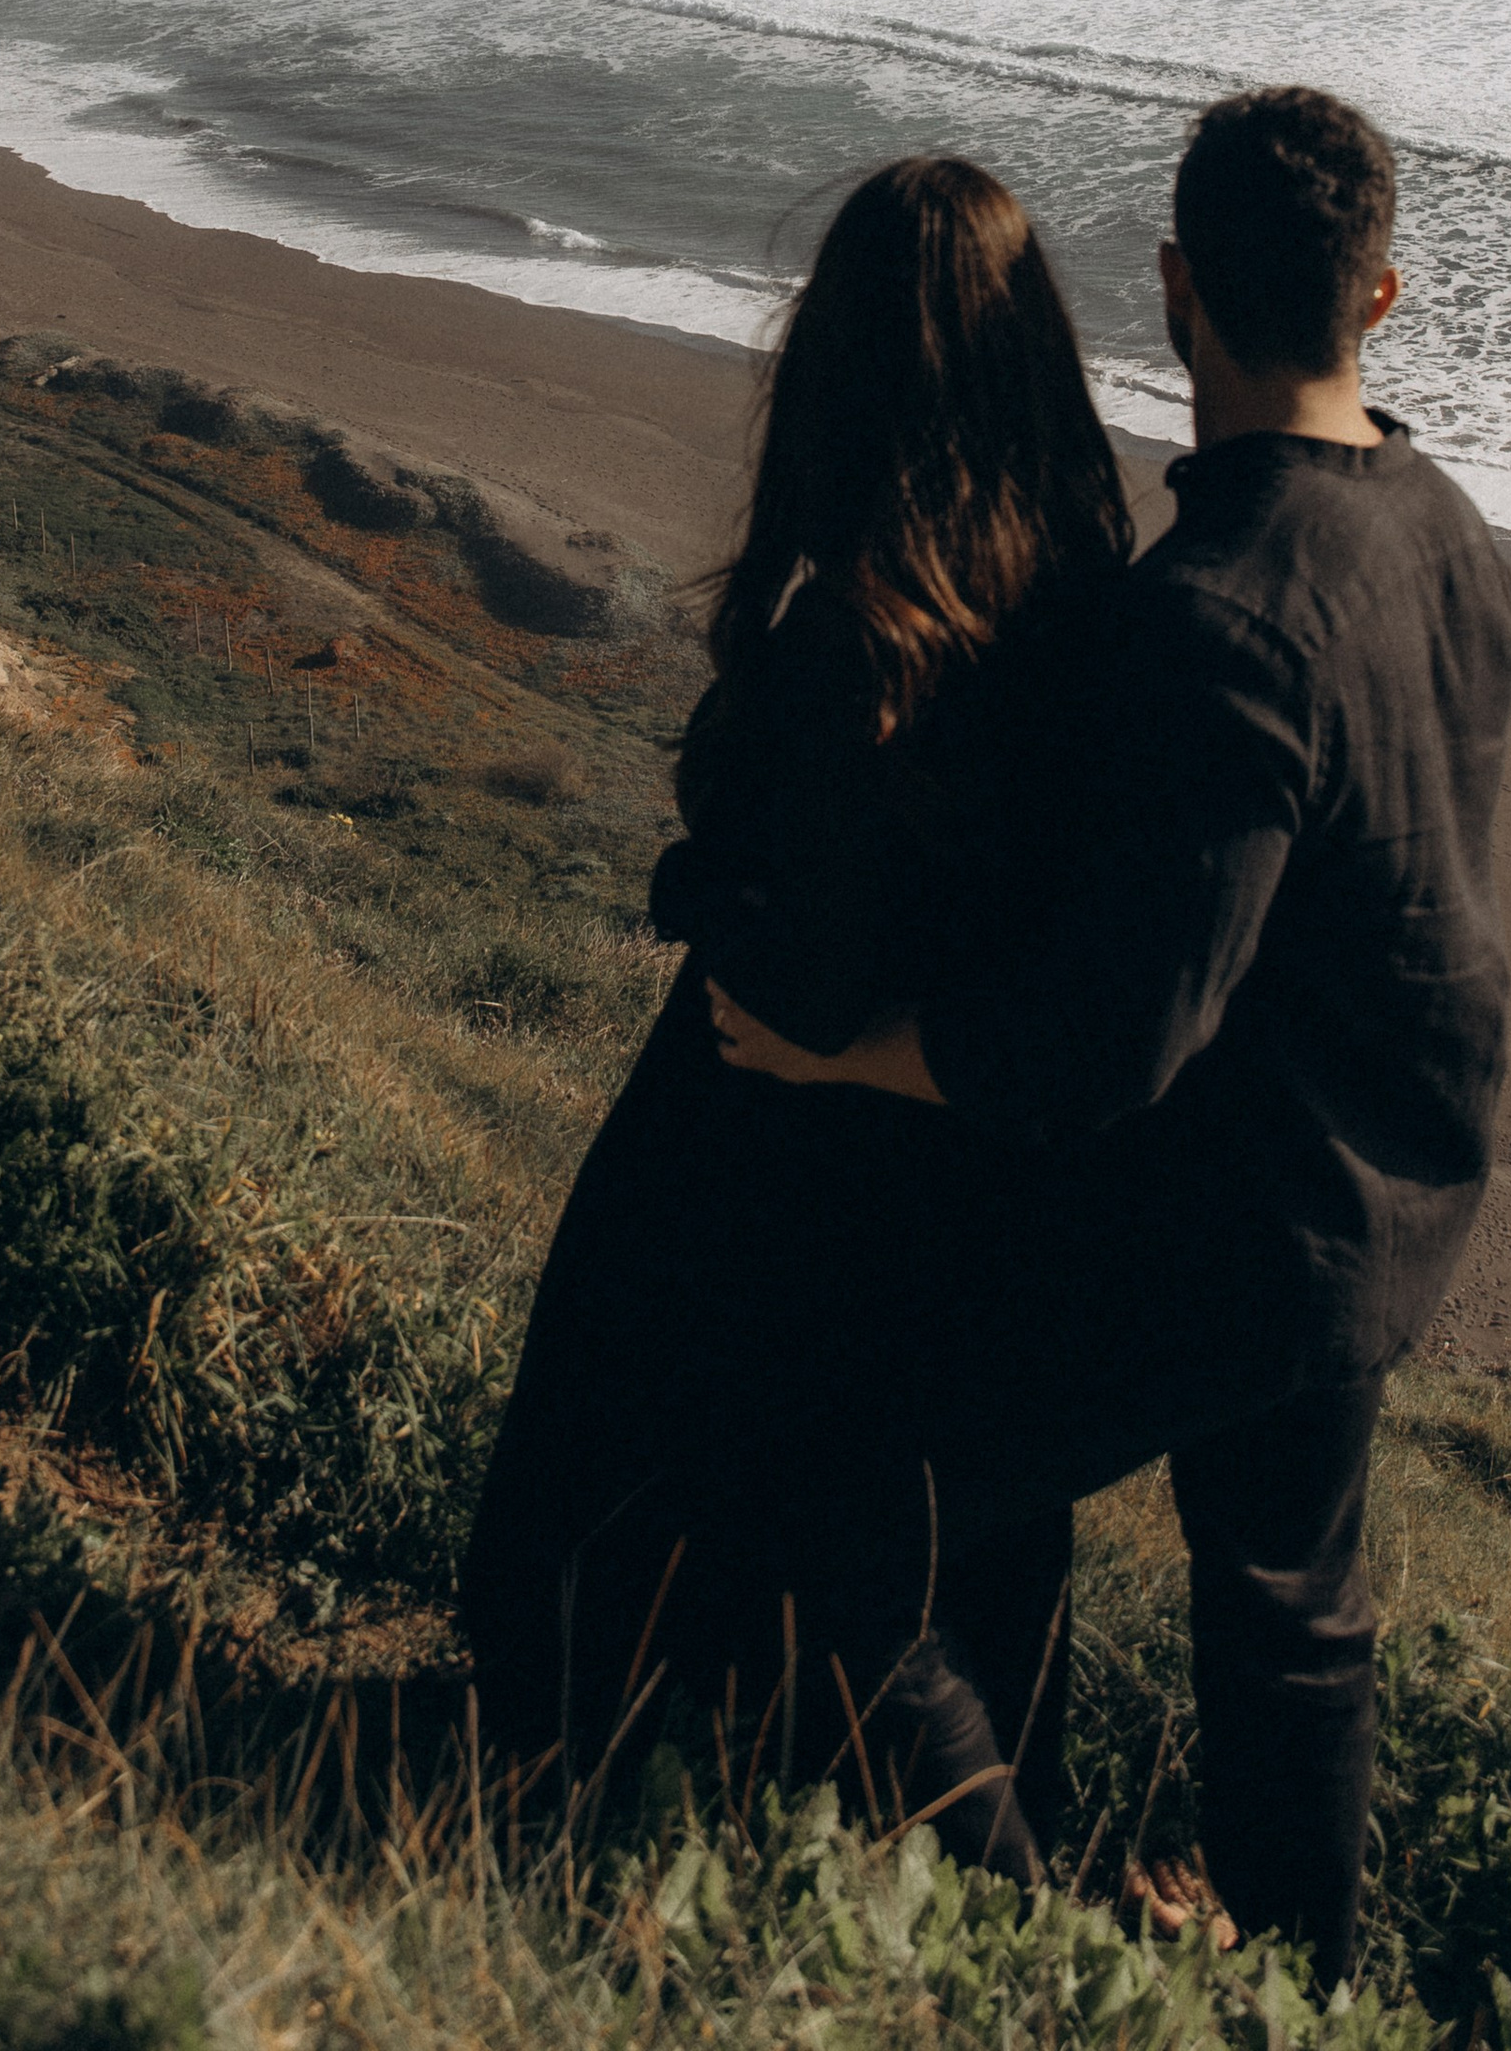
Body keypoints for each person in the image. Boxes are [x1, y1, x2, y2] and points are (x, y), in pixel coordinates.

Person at [710, 85, 1511, 1985]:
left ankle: (1035, 1941)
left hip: (1239, 1230)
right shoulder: (1448, 527)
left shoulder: (1219, 614)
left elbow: (1100, 1052)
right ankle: (1304, 1987)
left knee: (861, 1520)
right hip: (1399, 1180)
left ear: (1172, 287)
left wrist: (842, 1054)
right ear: (1379, 298)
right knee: (1291, 1607)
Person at [460, 154, 1131, 1870]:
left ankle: (577, 1792)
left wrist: (705, 897)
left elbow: (804, 970)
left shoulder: (859, 628)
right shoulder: (1080, 589)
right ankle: (970, 1876)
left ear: (842, 357)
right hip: (988, 1160)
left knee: (642, 1468)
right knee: (945, 1551)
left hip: (776, 1132)